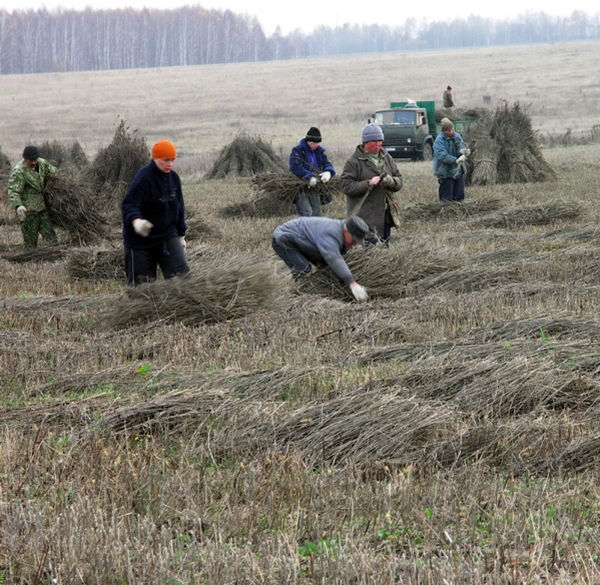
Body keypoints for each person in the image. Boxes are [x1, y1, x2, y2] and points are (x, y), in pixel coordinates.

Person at [121, 140, 189, 286]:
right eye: (166, 160)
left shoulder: (173, 178)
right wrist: (137, 221)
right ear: (155, 158)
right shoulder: (143, 178)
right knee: (142, 290)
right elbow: (129, 204)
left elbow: (179, 207)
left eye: (172, 160)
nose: (170, 164)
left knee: (183, 281)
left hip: (166, 236)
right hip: (140, 240)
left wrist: (181, 234)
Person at [272, 215, 370, 302]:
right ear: (346, 231)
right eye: (353, 240)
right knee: (303, 269)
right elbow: (333, 258)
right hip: (284, 238)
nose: (354, 244)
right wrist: (351, 283)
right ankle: (298, 297)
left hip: (302, 240)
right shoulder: (331, 234)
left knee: (324, 266)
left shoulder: (340, 231)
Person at [340, 123, 403, 245]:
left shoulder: (387, 157)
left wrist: (392, 181)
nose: (378, 144)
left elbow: (399, 180)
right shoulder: (353, 162)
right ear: (365, 142)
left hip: (385, 215)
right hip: (364, 217)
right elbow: (346, 186)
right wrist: (367, 183)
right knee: (370, 251)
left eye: (380, 141)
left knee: (384, 250)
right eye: (375, 141)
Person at [8, 145, 58, 249]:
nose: (34, 162)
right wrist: (18, 206)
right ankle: (33, 259)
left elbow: (54, 173)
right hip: (29, 212)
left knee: (51, 238)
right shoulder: (19, 171)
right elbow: (13, 191)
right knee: (30, 245)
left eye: (35, 159)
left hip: (42, 208)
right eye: (31, 160)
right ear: (25, 159)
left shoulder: (42, 163)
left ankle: (51, 255)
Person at [289, 126, 336, 217]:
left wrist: (328, 172)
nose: (317, 145)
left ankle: (315, 231)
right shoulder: (298, 151)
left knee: (317, 214)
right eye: (315, 143)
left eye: (318, 143)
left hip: (314, 188)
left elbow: (327, 163)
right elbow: (295, 167)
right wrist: (309, 177)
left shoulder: (319, 152)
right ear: (309, 141)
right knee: (307, 213)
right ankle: (304, 231)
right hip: (300, 188)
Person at [433, 117, 469, 202]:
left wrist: (463, 151)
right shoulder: (439, 141)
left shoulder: (456, 136)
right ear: (444, 131)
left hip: (458, 172)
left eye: (451, 129)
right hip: (446, 172)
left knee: (459, 197)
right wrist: (455, 160)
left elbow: (460, 145)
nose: (451, 132)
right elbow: (442, 155)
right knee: (446, 199)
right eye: (448, 130)